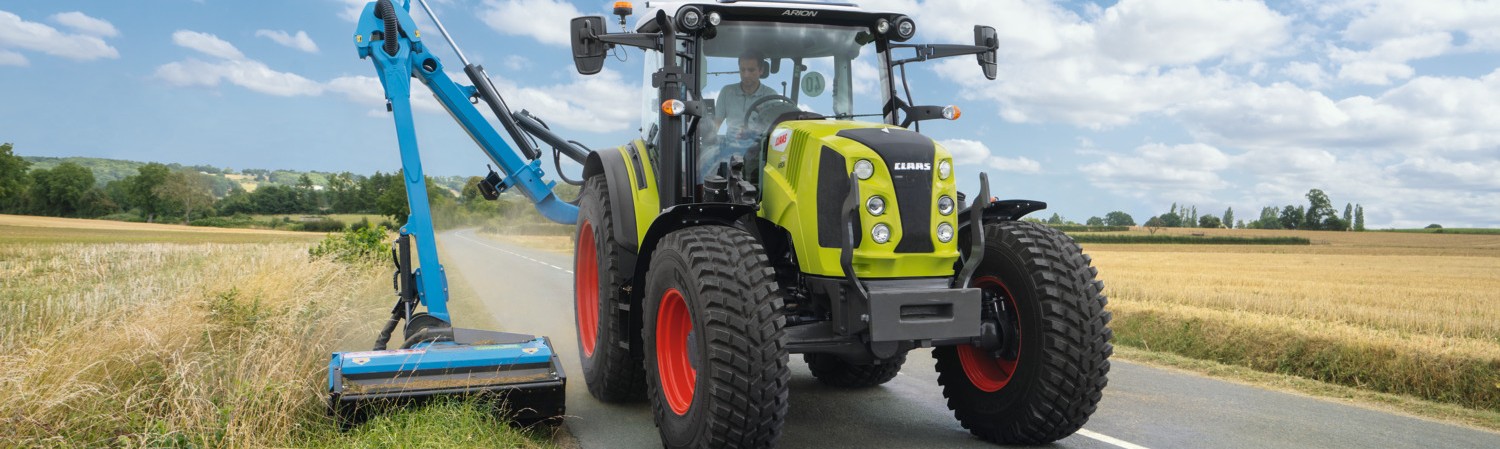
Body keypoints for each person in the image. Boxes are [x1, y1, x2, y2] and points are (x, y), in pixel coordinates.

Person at [701, 53, 777, 177]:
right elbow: (717, 123)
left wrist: (753, 132)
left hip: (758, 149)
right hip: (730, 146)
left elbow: (774, 129)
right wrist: (707, 139)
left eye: (751, 70)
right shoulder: (727, 92)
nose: (746, 74)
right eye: (742, 70)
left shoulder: (770, 95)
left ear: (761, 70)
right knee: (706, 166)